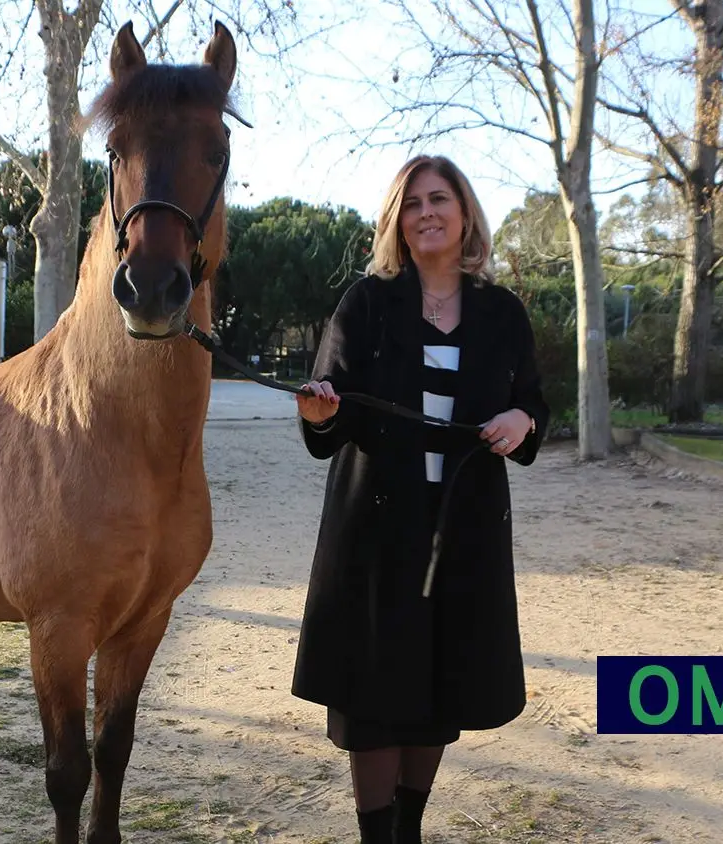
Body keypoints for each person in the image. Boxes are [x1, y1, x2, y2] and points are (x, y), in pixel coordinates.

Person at [290, 154, 550, 844]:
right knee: (374, 694)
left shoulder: (501, 314)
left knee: (436, 687)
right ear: (397, 222)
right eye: (412, 204)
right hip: (374, 531)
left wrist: (523, 422)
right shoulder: (368, 302)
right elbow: (331, 397)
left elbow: (532, 404)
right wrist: (319, 414)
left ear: (465, 214)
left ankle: (409, 829)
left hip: (460, 532)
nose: (427, 212)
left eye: (439, 199)